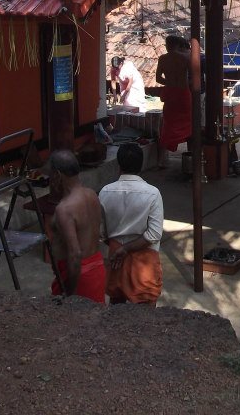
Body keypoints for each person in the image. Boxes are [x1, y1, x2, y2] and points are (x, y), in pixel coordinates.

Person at [99, 143, 164, 305]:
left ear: (118, 166)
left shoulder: (105, 192)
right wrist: (126, 248)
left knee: (116, 312)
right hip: (144, 260)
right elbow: (154, 234)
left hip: (115, 256)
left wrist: (120, 247)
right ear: (140, 165)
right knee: (146, 316)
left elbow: (102, 232)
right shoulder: (153, 193)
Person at [47, 150, 106, 302]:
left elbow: (75, 254)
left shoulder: (65, 209)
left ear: (58, 175)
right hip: (96, 268)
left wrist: (70, 293)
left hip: (78, 277)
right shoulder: (92, 194)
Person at [156, 35, 192, 168]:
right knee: (189, 126)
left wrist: (170, 82)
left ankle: (160, 161)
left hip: (170, 94)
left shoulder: (163, 59)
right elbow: (195, 78)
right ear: (178, 45)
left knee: (167, 127)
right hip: (183, 94)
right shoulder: (186, 58)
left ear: (167, 45)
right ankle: (191, 157)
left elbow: (158, 79)